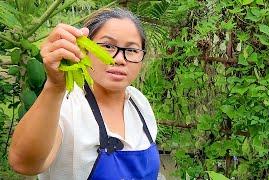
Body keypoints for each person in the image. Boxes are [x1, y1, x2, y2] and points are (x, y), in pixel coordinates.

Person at [8, 7, 161, 179]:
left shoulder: (139, 102)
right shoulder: (66, 104)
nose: (119, 59)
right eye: (108, 46)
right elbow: (23, 163)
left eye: (132, 50)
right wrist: (55, 86)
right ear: (84, 49)